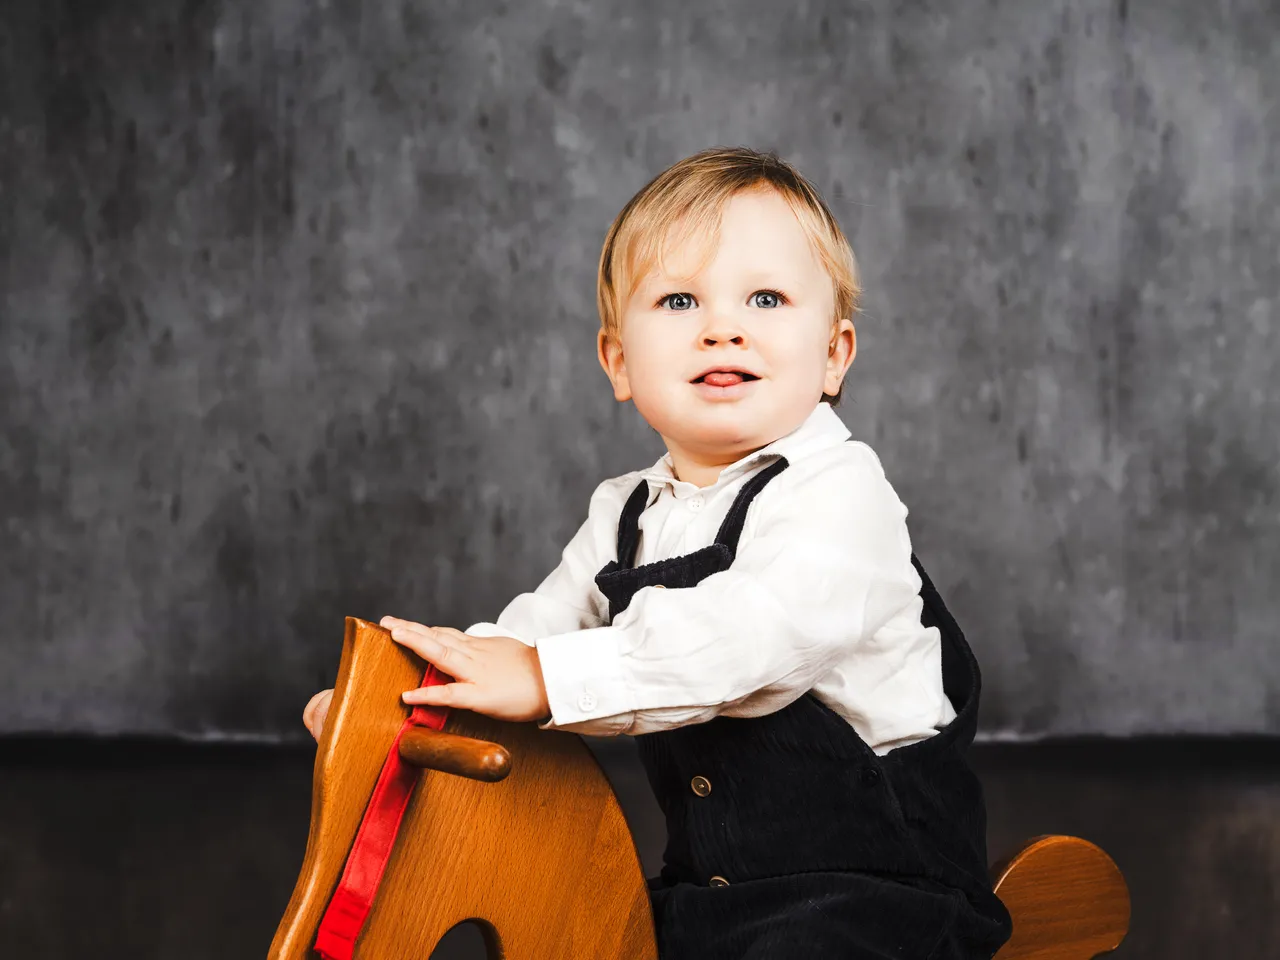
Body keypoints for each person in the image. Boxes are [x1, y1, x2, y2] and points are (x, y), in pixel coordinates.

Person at [304, 146, 1012, 959]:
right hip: (712, 890)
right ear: (618, 363)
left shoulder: (841, 497)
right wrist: (399, 704)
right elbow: (534, 630)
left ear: (833, 356)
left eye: (767, 298)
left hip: (878, 893)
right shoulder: (626, 511)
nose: (722, 326)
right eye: (679, 300)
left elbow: (747, 642)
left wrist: (544, 680)